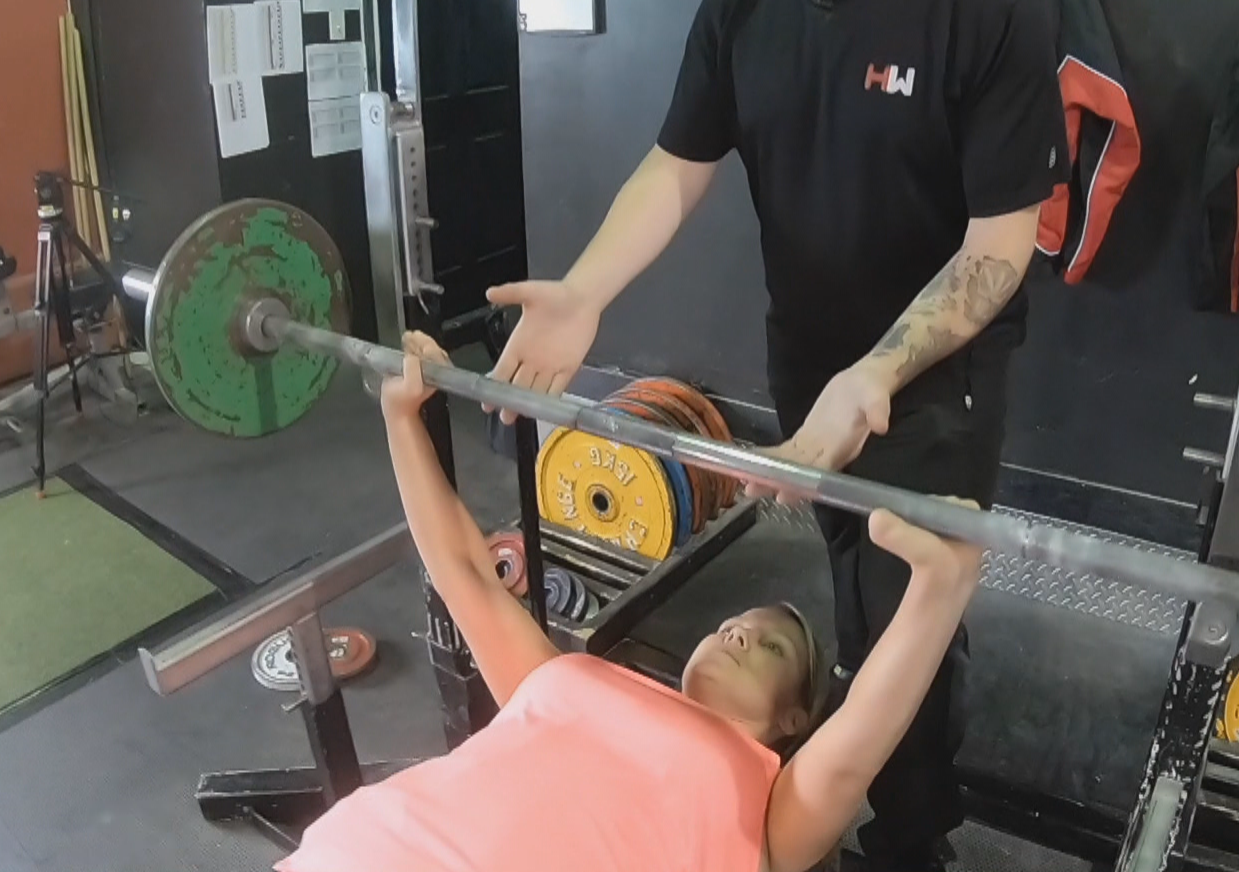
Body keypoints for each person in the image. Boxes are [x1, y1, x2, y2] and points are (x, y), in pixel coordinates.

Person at [482, 0, 1065, 866]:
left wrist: (879, 374)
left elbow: (997, 248)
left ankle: (913, 836)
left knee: (905, 609)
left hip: (936, 380)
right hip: (805, 352)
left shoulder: (990, 11)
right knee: (848, 570)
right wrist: (585, 289)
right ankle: (831, 776)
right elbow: (675, 168)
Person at [277, 332, 983, 872]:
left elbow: (859, 740)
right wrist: (402, 419)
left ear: (792, 720)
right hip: (371, 848)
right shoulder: (562, 679)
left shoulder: (768, 807)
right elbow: (463, 571)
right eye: (738, 627)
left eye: (771, 648)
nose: (739, 636)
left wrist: (939, 589)